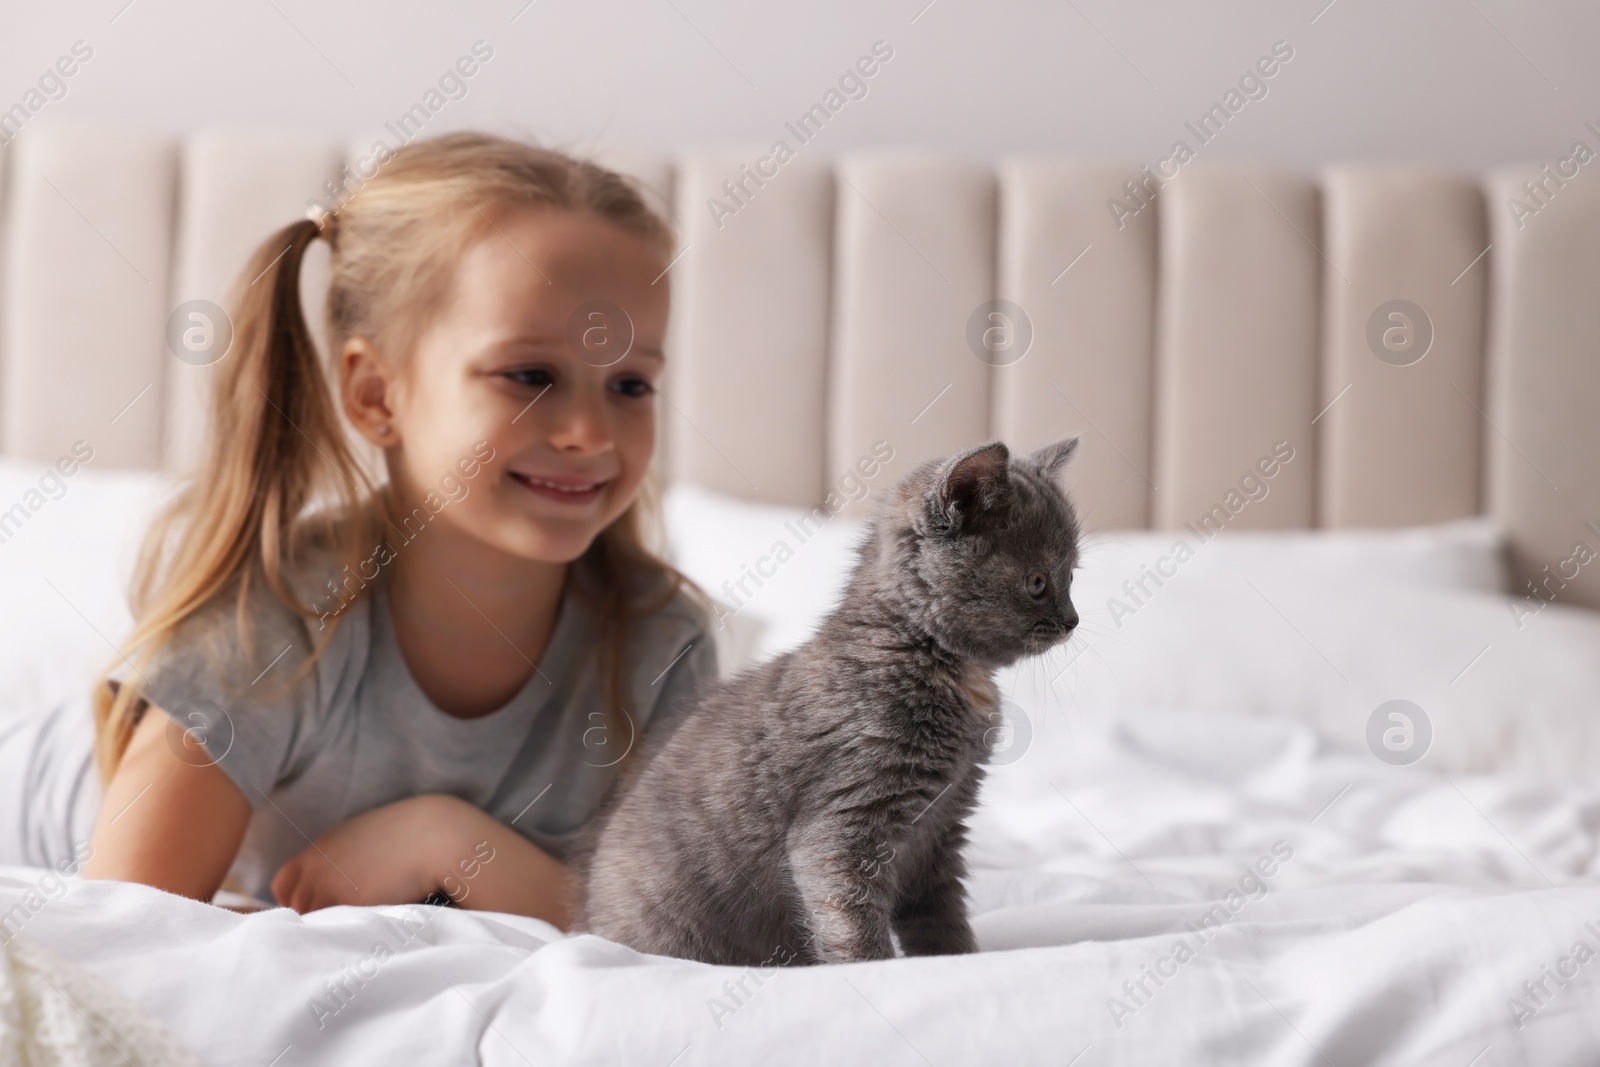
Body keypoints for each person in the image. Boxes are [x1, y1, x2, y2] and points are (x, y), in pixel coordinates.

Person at [0, 132, 716, 926]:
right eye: (530, 375)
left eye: (631, 383)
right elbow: (126, 932)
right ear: (376, 393)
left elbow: (685, 937)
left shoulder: (661, 647)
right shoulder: (270, 622)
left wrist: (448, 841)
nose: (591, 431)